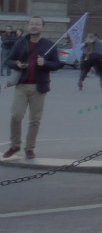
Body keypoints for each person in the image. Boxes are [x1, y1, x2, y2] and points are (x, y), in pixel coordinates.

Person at [4, 16, 64, 160]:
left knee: (34, 120)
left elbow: (57, 64)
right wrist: (17, 64)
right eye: (31, 24)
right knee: (15, 116)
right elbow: (8, 61)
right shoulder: (21, 42)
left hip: (39, 87)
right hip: (21, 86)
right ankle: (15, 145)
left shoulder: (48, 44)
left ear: (42, 27)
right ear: (28, 26)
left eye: (37, 24)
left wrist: (45, 63)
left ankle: (30, 148)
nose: (34, 26)